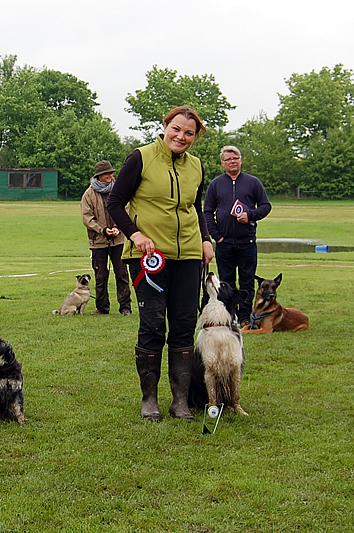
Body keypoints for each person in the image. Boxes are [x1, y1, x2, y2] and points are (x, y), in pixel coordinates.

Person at [107, 106, 214, 422]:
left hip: (189, 256)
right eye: (176, 129)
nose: (181, 136)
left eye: (189, 133)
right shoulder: (141, 157)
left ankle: (180, 401)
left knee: (183, 325)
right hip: (148, 257)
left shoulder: (196, 166)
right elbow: (114, 202)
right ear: (165, 126)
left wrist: (205, 239)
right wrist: (136, 234)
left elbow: (197, 206)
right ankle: (149, 399)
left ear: (195, 137)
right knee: (153, 325)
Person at [203, 146, 272, 327]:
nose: (232, 161)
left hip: (247, 242)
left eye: (236, 158)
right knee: (226, 283)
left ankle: (244, 317)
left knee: (247, 282)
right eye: (228, 159)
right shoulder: (216, 184)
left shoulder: (253, 182)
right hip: (224, 243)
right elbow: (207, 211)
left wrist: (250, 214)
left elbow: (265, 206)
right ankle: (228, 316)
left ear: (241, 160)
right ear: (222, 163)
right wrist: (216, 235)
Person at [81, 160, 132, 316]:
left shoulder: (119, 190)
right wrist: (103, 230)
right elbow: (87, 218)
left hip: (118, 239)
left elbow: (127, 209)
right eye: (107, 173)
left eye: (111, 173)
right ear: (99, 176)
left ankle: (125, 308)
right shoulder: (88, 194)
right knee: (100, 276)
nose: (111, 175)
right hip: (98, 241)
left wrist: (118, 227)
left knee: (122, 274)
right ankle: (102, 308)